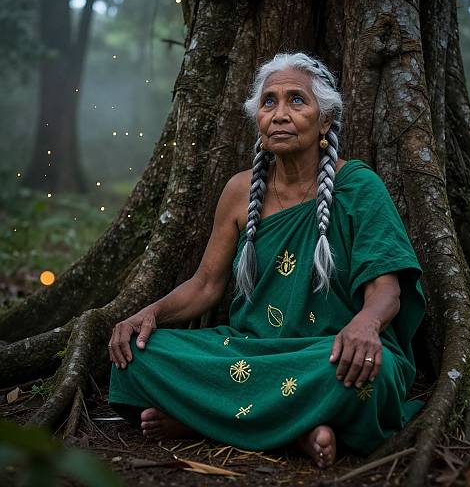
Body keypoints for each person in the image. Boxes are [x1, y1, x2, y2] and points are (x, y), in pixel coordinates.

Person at [108, 52, 426, 469]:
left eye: (297, 100)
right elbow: (205, 285)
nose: (280, 114)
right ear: (258, 119)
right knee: (136, 352)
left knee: (373, 372)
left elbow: (387, 291)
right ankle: (298, 431)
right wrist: (149, 313)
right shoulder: (240, 191)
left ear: (325, 120)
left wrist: (365, 325)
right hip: (247, 351)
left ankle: (203, 418)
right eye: (269, 102)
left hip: (325, 353)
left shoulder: (360, 186)